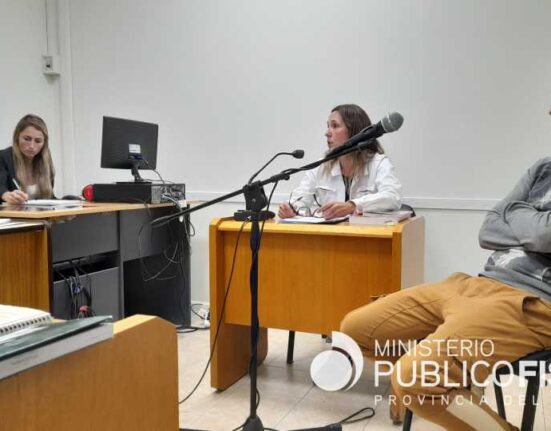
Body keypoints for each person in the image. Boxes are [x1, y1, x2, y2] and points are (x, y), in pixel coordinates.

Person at [340, 109, 551, 431]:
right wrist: (532, 226)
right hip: (476, 283)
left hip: (532, 302)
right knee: (356, 329)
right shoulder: (543, 168)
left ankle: (429, 382)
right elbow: (489, 230)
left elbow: (543, 235)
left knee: (415, 378)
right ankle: (446, 379)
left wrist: (515, 212)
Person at [278, 104, 402, 220]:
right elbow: (300, 198)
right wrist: (291, 209)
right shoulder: (322, 165)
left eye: (335, 126)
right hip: (331, 234)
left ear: (354, 131)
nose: (327, 133)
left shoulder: (378, 163)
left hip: (366, 233)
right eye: (328, 126)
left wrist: (353, 205)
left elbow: (392, 197)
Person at [0, 114, 55, 204]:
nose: (32, 146)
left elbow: (49, 199)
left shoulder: (45, 162)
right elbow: (1, 186)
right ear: (17, 137)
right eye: (27, 139)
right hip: (11, 212)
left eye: (38, 141)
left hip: (40, 213)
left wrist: (72, 200)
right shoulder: (3, 157)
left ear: (44, 144)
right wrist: (6, 195)